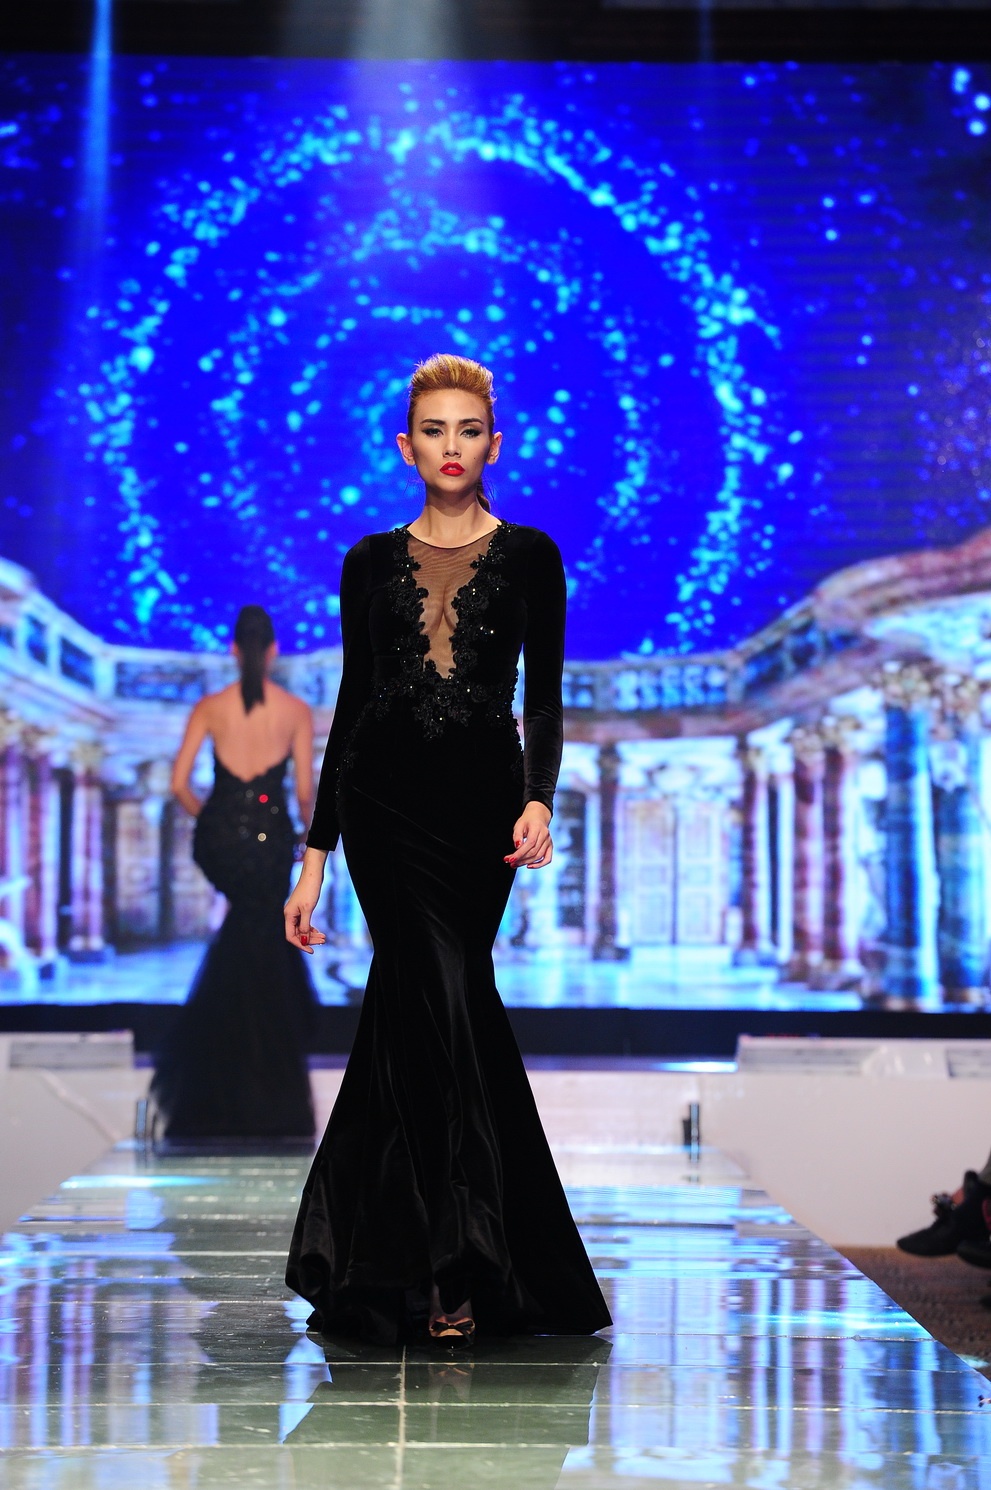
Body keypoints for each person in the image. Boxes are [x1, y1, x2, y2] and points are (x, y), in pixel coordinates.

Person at [283, 353, 612, 1346]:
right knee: (433, 1002)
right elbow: (351, 706)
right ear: (406, 445)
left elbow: (543, 698)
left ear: (493, 444)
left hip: (478, 809)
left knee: (437, 1005)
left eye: (469, 429)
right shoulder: (366, 561)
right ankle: (455, 1265)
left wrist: (538, 797)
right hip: (384, 808)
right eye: (434, 430)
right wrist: (315, 854)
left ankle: (387, 1253)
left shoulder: (533, 555)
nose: (451, 446)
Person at [151, 605, 318, 1142]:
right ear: (272, 651)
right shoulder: (295, 710)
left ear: (232, 649)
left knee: (242, 935)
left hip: (221, 843)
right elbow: (303, 793)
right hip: (271, 842)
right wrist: (307, 842)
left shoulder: (209, 707)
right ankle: (266, 1092)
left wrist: (214, 821)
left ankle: (219, 1090)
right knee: (261, 940)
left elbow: (179, 784)